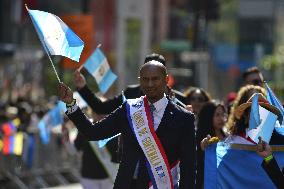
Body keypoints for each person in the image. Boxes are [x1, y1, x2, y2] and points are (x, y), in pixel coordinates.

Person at [58, 61, 196, 189]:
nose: (150, 84)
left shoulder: (184, 117)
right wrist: (71, 104)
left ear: (166, 80)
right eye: (145, 79)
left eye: (155, 79)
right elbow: (93, 132)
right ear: (139, 81)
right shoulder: (130, 109)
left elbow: (188, 167)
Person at [74, 53, 187, 115]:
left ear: (165, 77)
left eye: (156, 77)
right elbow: (102, 108)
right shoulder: (130, 94)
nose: (150, 83)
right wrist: (83, 88)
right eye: (146, 76)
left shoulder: (181, 101)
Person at [196, 102, 227, 189]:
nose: (221, 118)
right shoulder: (200, 139)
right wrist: (203, 149)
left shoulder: (229, 137)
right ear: (208, 116)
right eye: (217, 115)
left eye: (223, 114)